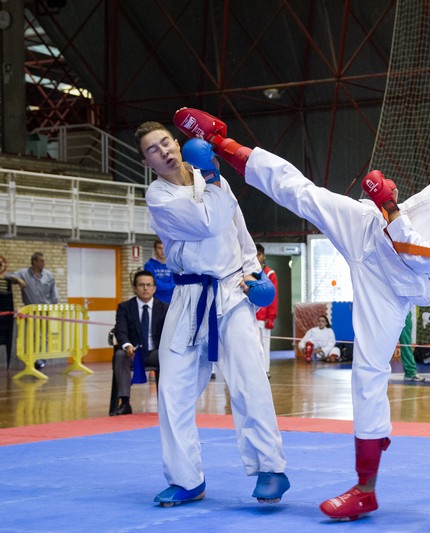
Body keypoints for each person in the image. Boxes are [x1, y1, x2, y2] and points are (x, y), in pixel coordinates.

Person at [172, 108, 430, 521]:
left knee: (369, 374)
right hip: (370, 228)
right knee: (299, 190)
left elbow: (426, 257)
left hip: (393, 282)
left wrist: (390, 204)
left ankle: (365, 490)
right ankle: (219, 140)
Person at [135, 121, 289, 507]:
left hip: (231, 292)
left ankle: (269, 469)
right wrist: (211, 172)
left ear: (177, 142)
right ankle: (187, 479)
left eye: (166, 141)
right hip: (189, 297)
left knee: (249, 381)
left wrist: (255, 274)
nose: (164, 151)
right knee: (172, 390)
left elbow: (239, 233)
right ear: (148, 161)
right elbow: (209, 222)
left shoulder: (216, 181)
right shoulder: (159, 195)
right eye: (153, 149)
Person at [111, 270, 168, 415]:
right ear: (135, 288)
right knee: (119, 355)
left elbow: (168, 334)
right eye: (141, 285)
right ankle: (124, 403)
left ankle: (166, 403)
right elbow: (120, 331)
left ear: (154, 288)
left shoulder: (164, 308)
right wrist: (126, 345)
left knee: (168, 358)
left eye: (149, 285)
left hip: (155, 352)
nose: (145, 288)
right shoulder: (124, 308)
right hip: (133, 352)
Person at [9, 252, 58, 371]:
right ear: (34, 262)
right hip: (30, 312)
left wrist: (54, 307)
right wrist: (18, 281)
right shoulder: (23, 273)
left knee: (45, 336)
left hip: (45, 311)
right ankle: (32, 359)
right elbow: (7, 276)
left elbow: (54, 294)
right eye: (41, 260)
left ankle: (41, 360)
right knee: (33, 336)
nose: (43, 263)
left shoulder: (48, 275)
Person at [255, 244, 278, 376]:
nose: (256, 258)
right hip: (251, 315)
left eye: (259, 255)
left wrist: (271, 316)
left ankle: (265, 370)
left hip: (264, 316)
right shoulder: (248, 272)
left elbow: (273, 296)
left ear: (264, 256)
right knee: (252, 344)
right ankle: (255, 370)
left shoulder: (270, 274)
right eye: (254, 255)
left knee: (264, 344)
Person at [0, 255, 26, 368]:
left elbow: (9, 275)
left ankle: (8, 365)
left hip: (6, 319)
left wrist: (19, 280)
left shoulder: (6, 279)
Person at [144, 237, 176, 304]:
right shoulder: (149, 265)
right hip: (155, 301)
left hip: (171, 301)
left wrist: (165, 287)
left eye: (164, 248)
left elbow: (175, 282)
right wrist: (168, 287)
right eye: (159, 248)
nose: (162, 251)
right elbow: (152, 283)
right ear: (155, 250)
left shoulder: (173, 265)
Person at [399, 311, 424, 381]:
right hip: (387, 309)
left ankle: (410, 372)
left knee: (406, 342)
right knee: (385, 343)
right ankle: (381, 374)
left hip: (405, 311)